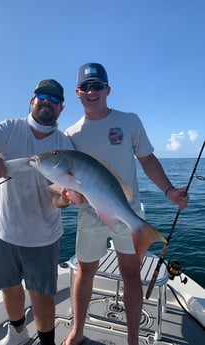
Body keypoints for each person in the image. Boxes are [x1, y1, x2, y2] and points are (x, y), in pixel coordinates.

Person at [62, 63, 189, 345]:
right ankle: (77, 330)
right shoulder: (71, 134)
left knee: (131, 274)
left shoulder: (129, 121)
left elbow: (146, 159)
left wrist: (168, 190)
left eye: (97, 86)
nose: (91, 92)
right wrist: (70, 193)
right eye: (86, 87)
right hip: (90, 213)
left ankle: (133, 339)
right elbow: (70, 178)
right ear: (77, 93)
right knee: (85, 270)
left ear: (108, 90)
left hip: (127, 209)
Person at [0, 79, 74, 345]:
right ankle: (18, 333)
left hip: (42, 236)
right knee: (9, 287)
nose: (48, 102)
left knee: (42, 295)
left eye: (55, 100)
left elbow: (57, 196)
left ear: (61, 109)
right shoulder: (10, 128)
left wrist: (65, 198)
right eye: (43, 96)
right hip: (1, 229)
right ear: (32, 100)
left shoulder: (65, 145)